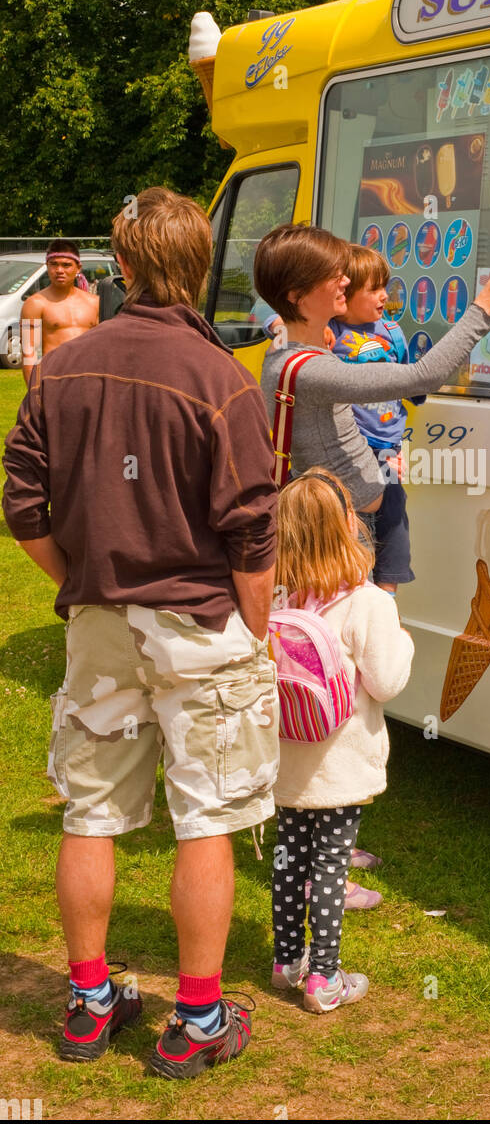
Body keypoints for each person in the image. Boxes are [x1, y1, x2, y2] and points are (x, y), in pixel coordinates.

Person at [2, 188, 279, 1079]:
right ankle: (197, 1018)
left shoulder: (65, 367)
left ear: (119, 267)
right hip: (199, 620)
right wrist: (258, 627)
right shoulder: (220, 378)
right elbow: (251, 526)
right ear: (200, 268)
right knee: (206, 818)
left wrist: (83, 585)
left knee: (92, 812)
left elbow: (24, 507)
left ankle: (88, 1001)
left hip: (101, 622)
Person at [256, 224, 490, 517]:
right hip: (346, 526)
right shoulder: (314, 371)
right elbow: (424, 376)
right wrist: (488, 299)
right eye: (332, 275)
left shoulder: (283, 348)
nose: (345, 281)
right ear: (297, 294)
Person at [269, 468, 414, 1012]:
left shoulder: (277, 597)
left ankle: (286, 963)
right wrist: (402, 640)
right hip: (341, 762)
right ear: (347, 528)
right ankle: (324, 978)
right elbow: (387, 682)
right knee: (329, 866)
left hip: (286, 759)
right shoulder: (368, 602)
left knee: (289, 857)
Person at [329, 244, 424, 596]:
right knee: (352, 521)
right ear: (344, 293)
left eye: (385, 286)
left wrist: (420, 389)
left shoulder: (392, 332)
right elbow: (276, 321)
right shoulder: (331, 331)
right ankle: (353, 591)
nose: (385, 296)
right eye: (374, 289)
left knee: (394, 514)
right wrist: (276, 323)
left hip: (388, 446)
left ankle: (386, 592)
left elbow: (407, 376)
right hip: (352, 447)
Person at [21, 240, 99, 387]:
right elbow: (28, 352)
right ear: (47, 266)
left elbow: (104, 348)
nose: (59, 270)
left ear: (78, 268)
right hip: (53, 381)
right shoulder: (34, 304)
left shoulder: (95, 303)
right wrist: (34, 392)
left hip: (89, 381)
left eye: (66, 265)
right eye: (54, 264)